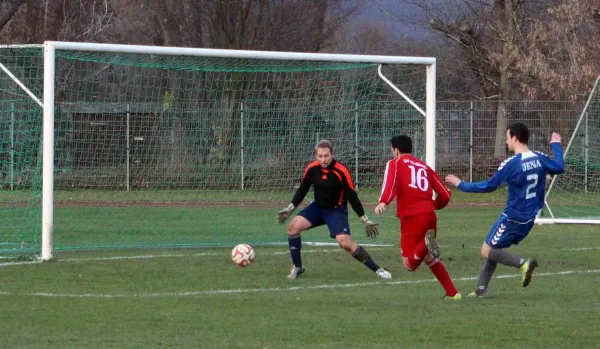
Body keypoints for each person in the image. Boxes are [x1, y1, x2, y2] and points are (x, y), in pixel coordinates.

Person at [445, 123, 564, 297]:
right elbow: (560, 167)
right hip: (529, 219)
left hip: (512, 218)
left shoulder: (512, 163)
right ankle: (480, 290)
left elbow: (489, 185)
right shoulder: (540, 157)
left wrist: (460, 184)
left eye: (507, 138)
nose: (506, 142)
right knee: (495, 247)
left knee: (486, 250)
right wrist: (556, 145)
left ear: (515, 138)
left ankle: (523, 263)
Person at [277, 140, 391, 280]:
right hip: (317, 208)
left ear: (332, 154)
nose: (323, 159)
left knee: (345, 242)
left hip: (336, 211)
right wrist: (290, 208)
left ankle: (378, 269)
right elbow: (302, 189)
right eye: (320, 156)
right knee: (293, 227)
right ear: (315, 156)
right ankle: (297, 267)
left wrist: (364, 219)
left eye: (326, 156)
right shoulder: (312, 168)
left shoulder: (341, 171)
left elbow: (352, 196)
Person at [375, 135, 462, 300]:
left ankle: (425, 243)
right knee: (428, 257)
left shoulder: (396, 162)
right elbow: (446, 194)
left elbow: (391, 182)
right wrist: (433, 205)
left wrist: (383, 201)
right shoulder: (424, 166)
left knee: (408, 264)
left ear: (396, 150)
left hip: (411, 217)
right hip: (429, 215)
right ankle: (453, 293)